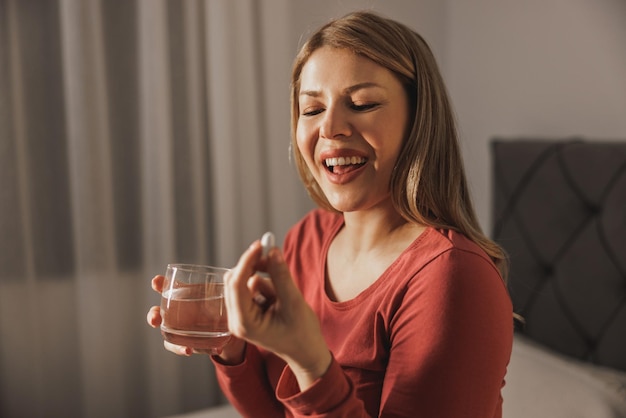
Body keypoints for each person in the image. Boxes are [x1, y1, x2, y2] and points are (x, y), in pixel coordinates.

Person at [147, 10, 513, 418]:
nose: (330, 128)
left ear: (418, 119)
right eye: (312, 109)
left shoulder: (451, 277)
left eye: (362, 103)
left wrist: (309, 362)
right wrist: (233, 349)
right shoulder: (308, 238)